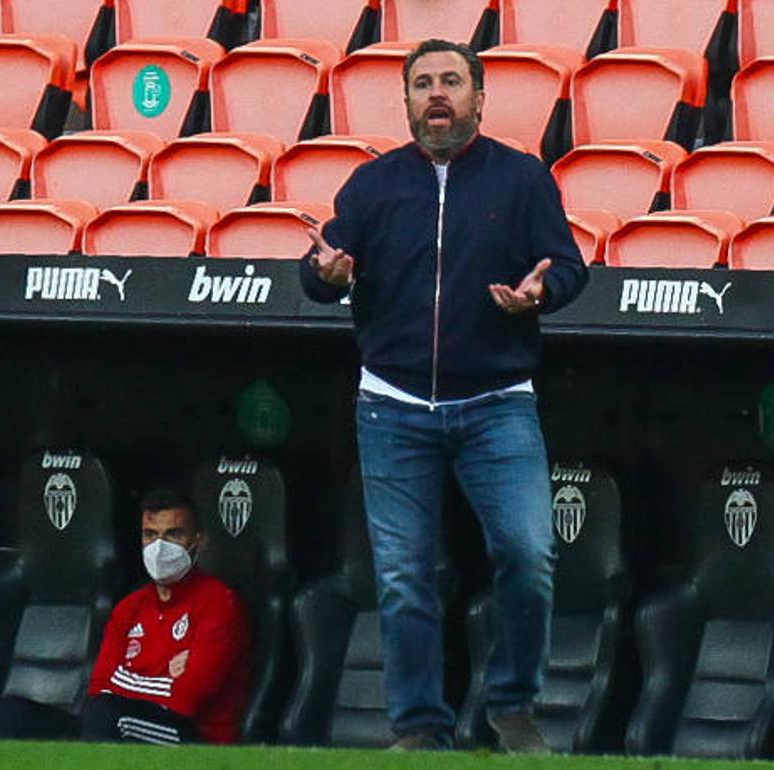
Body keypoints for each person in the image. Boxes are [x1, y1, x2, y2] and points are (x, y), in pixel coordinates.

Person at [299, 39, 589, 753]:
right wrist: (327, 274)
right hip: (392, 405)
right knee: (403, 575)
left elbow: (572, 270)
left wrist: (539, 293)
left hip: (497, 402)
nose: (437, 94)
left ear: (478, 98)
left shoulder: (521, 179)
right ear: (405, 101)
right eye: (422, 83)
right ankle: (420, 728)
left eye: (450, 82)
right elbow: (319, 270)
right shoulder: (371, 185)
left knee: (527, 556)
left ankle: (512, 706)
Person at [81, 489, 251, 745]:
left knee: (108, 714)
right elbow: (99, 687)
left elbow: (187, 699)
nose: (159, 547)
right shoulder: (129, 606)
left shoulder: (219, 603)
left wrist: (125, 680)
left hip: (196, 738)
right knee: (11, 714)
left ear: (198, 541)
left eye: (173, 534)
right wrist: (165, 680)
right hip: (124, 720)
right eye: (150, 535)